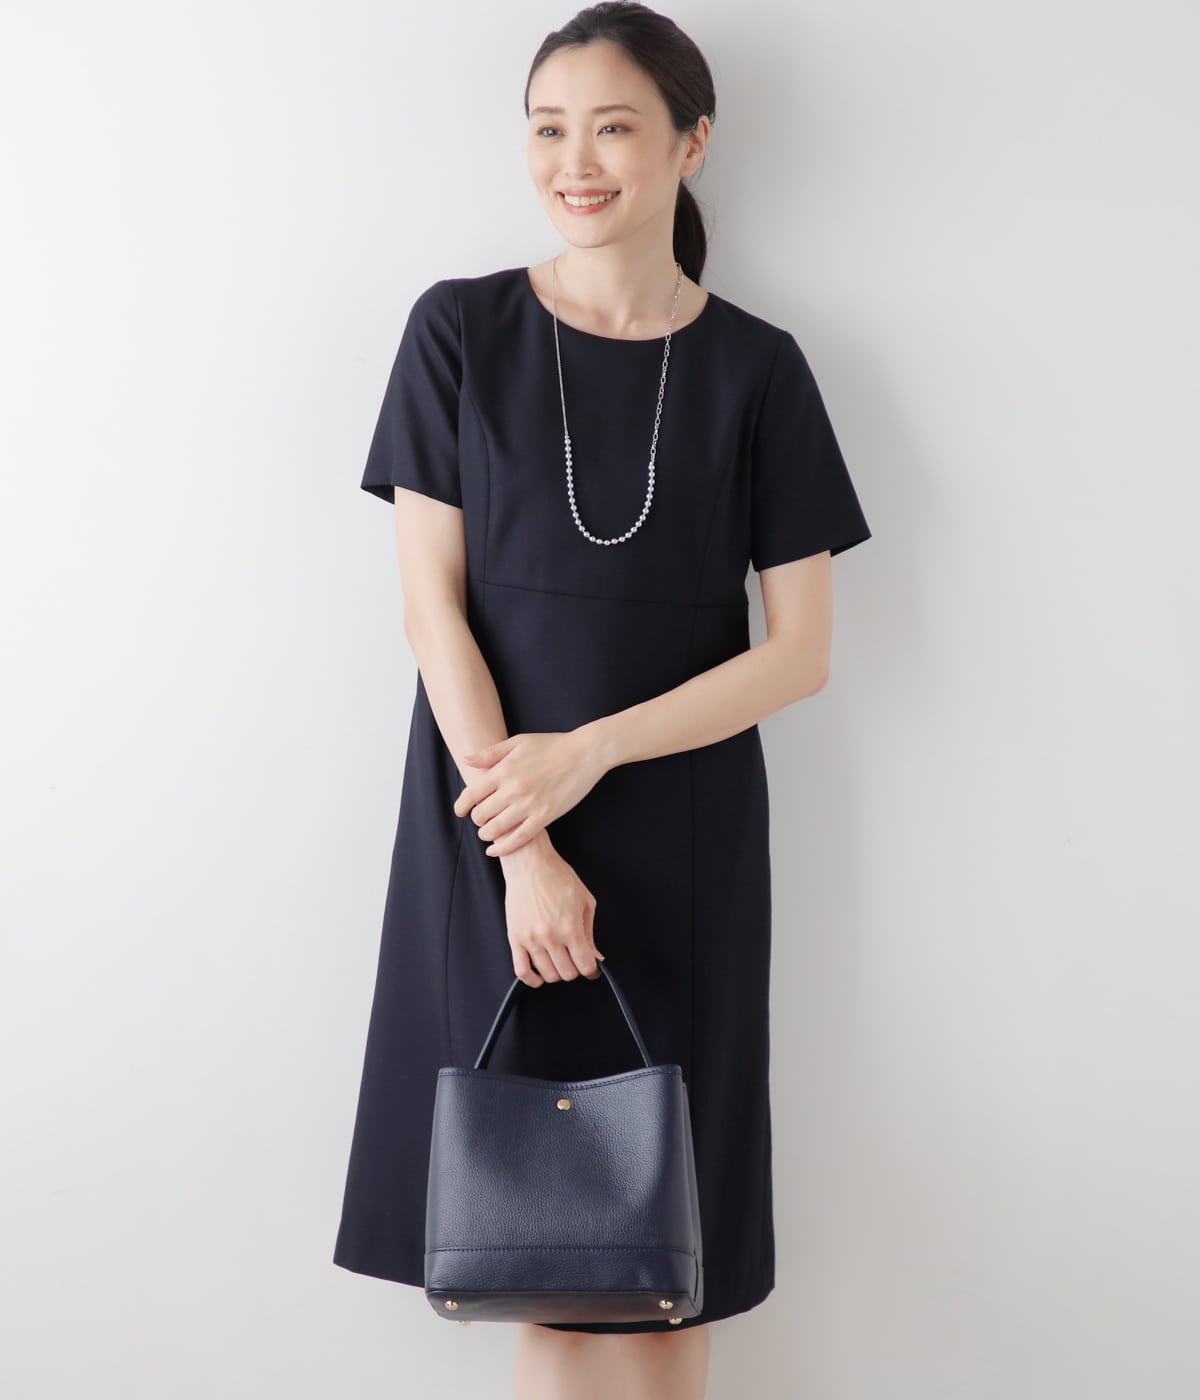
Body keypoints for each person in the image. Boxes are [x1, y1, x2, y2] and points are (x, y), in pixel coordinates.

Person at [333, 4, 872, 1397]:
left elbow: (799, 653)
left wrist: (591, 754)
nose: (574, 162)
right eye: (549, 128)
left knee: (665, 1260)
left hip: (680, 837)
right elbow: (430, 613)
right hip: (493, 826)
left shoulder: (759, 368)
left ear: (691, 143)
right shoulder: (459, 330)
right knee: (538, 1251)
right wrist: (527, 850)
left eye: (613, 127)